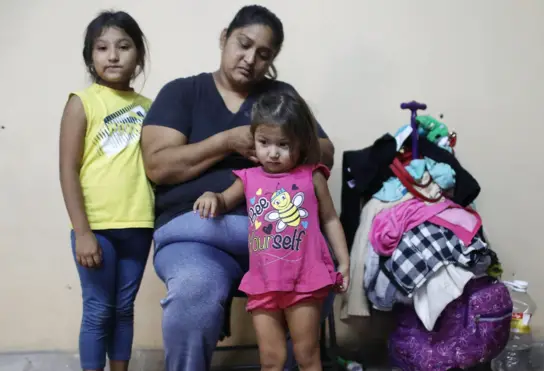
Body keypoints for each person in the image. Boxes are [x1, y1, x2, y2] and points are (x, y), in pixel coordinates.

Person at [139, 5, 336, 371]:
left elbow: (325, 152)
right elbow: (157, 165)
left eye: (264, 54)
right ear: (224, 37)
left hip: (279, 237)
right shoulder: (183, 92)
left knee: (315, 275)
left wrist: (284, 141)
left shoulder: (279, 95)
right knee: (195, 290)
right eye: (243, 44)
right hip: (197, 236)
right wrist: (227, 141)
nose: (250, 59)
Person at [193, 90, 350, 371]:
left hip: (305, 281)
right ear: (253, 139)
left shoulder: (312, 176)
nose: (273, 152)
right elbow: (223, 201)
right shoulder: (248, 178)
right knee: (270, 361)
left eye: (283, 144)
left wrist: (345, 262)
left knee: (307, 357)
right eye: (264, 142)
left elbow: (329, 219)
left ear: (301, 144)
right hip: (263, 282)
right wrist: (211, 197)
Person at [58, 10, 153, 371]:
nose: (113, 56)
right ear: (90, 57)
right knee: (98, 310)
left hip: (139, 223)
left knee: (124, 310)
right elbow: (68, 168)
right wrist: (82, 232)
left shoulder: (150, 109)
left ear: (138, 56)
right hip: (96, 227)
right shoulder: (81, 103)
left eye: (123, 47)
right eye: (102, 48)